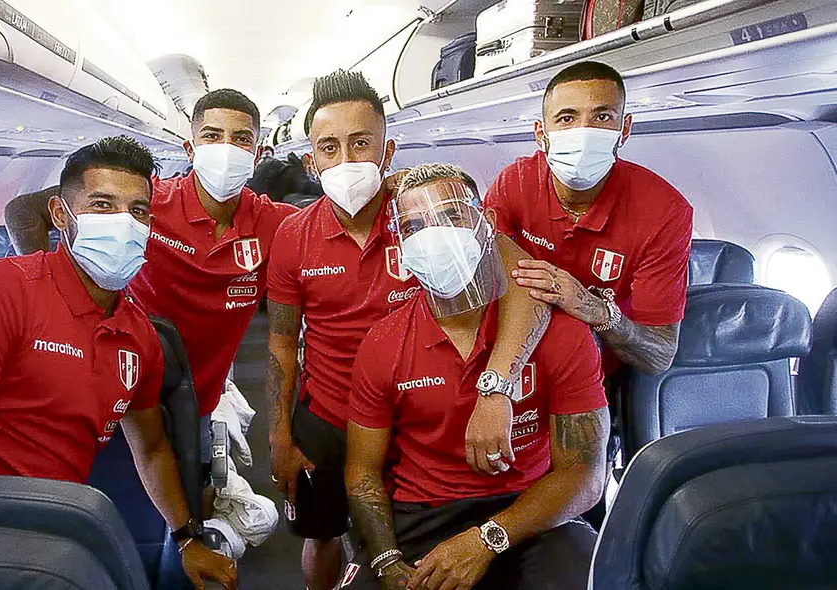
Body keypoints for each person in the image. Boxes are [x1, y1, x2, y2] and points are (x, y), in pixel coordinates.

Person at [0, 136, 237, 590]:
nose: (123, 223)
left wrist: (184, 538)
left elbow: (152, 447)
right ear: (62, 215)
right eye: (103, 205)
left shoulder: (139, 334)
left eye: (138, 211)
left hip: (62, 535)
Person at [265, 70, 549, 590]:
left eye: (361, 143)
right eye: (330, 148)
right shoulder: (292, 236)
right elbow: (283, 341)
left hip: (412, 416)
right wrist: (279, 434)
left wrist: (498, 386)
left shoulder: (425, 216)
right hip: (329, 415)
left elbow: (519, 276)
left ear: (387, 150)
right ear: (312, 162)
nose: (347, 160)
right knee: (321, 534)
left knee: (397, 541)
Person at [342, 163, 609, 590]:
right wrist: (388, 561)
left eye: (450, 217)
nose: (435, 237)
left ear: (485, 223)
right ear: (402, 245)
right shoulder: (384, 343)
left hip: (528, 508)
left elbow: (585, 475)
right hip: (424, 511)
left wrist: (486, 540)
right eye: (414, 227)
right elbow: (362, 472)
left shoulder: (560, 333)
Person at [4, 90, 298, 476]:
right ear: (190, 149)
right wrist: (48, 298)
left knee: (191, 501)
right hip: (112, 382)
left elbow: (336, 225)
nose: (226, 149)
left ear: (257, 155)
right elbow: (23, 210)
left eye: (241, 138)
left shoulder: (275, 223)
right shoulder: (144, 201)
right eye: (211, 136)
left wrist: (391, 190)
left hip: (195, 400)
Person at [486, 61, 693, 376]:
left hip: (601, 368)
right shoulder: (515, 183)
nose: (584, 132)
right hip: (523, 352)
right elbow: (483, 280)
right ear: (541, 135)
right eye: (567, 118)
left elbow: (660, 355)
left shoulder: (664, 212)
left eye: (603, 117)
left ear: (624, 129)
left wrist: (595, 310)